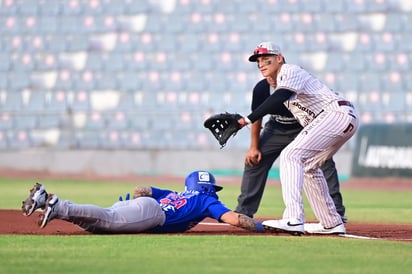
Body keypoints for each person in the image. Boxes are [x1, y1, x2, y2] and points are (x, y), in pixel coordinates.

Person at [237, 42, 359, 235]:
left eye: (266, 59)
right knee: (309, 166)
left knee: (290, 155)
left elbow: (280, 96)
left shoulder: (290, 70)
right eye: (258, 61)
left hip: (337, 114)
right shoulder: (273, 86)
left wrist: (245, 119)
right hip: (340, 118)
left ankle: (293, 218)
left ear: (280, 58)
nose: (261, 63)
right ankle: (331, 223)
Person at [234, 77, 347, 223]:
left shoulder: (299, 84)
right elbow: (257, 116)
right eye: (262, 67)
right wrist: (254, 147)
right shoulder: (261, 88)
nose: (269, 76)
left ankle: (336, 212)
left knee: (323, 162)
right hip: (276, 128)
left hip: (306, 127)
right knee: (254, 159)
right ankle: (244, 211)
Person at [21, 170, 265, 234]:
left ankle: (48, 203)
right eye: (212, 187)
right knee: (109, 220)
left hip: (144, 206)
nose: (214, 191)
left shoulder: (175, 193)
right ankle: (59, 204)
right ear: (208, 188)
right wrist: (262, 226)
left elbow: (140, 189)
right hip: (153, 215)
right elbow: (235, 219)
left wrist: (138, 201)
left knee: (99, 225)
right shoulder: (207, 201)